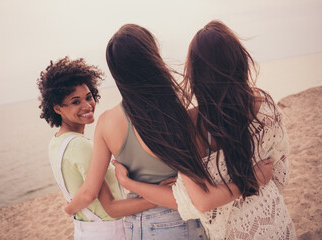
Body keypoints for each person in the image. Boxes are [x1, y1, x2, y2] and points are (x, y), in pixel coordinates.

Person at [64, 24, 272, 240]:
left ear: (117, 72)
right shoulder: (181, 110)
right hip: (192, 217)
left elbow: (105, 203)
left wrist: (70, 208)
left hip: (144, 225)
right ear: (152, 57)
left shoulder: (106, 123)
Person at [112, 20, 296, 240]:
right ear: (240, 61)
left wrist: (128, 183)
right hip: (276, 218)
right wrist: (255, 181)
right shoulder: (265, 105)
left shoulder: (188, 128)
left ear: (195, 73)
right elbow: (280, 172)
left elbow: (198, 202)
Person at [37, 57, 157, 240]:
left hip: (85, 230)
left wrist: (70, 208)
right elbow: (101, 202)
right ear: (58, 109)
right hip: (109, 231)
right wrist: (157, 199)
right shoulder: (80, 145)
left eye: (89, 97)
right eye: (75, 101)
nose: (87, 105)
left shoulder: (56, 142)